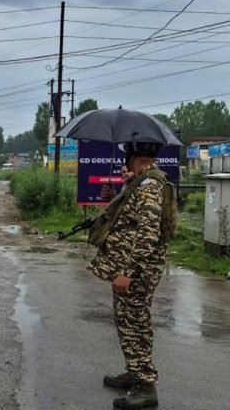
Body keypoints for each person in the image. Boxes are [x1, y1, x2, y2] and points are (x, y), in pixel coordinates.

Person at [87, 141, 176, 409]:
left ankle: (145, 387)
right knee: (126, 321)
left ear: (134, 157)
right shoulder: (140, 183)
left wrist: (128, 273)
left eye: (126, 155)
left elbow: (147, 235)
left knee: (135, 324)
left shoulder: (149, 187)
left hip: (137, 271)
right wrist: (115, 196)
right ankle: (135, 372)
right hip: (131, 267)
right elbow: (132, 220)